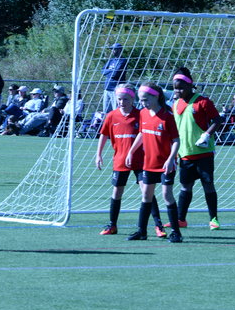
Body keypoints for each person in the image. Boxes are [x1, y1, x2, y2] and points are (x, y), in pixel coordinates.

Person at [96, 84, 165, 237]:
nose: (122, 102)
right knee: (116, 192)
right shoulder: (112, 116)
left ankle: (158, 226)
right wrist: (98, 154)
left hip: (141, 161)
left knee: (147, 192)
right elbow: (104, 134)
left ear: (133, 99)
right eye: (119, 99)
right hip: (120, 160)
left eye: (126, 99)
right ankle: (112, 225)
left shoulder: (141, 114)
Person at [125, 82, 182, 243]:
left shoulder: (167, 116)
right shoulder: (143, 113)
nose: (143, 103)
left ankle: (176, 232)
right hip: (149, 163)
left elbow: (176, 141)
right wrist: (131, 151)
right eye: (141, 100)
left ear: (156, 97)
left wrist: (171, 159)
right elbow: (142, 133)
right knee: (146, 196)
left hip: (165, 164)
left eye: (146, 99)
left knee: (167, 195)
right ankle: (142, 231)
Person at [170, 67, 224, 231]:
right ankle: (180, 219)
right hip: (185, 154)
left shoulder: (203, 102)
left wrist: (207, 135)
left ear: (190, 86)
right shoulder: (175, 104)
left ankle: (213, 219)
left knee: (208, 185)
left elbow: (217, 120)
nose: (178, 91)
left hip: (203, 153)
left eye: (181, 88)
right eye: (175, 88)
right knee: (185, 187)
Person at [101, 43, 127, 114]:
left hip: (116, 89)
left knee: (116, 111)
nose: (112, 51)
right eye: (112, 49)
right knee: (106, 111)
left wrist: (108, 72)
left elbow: (115, 74)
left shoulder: (122, 60)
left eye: (114, 49)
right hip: (107, 88)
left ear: (120, 50)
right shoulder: (111, 60)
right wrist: (111, 72)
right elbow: (102, 70)